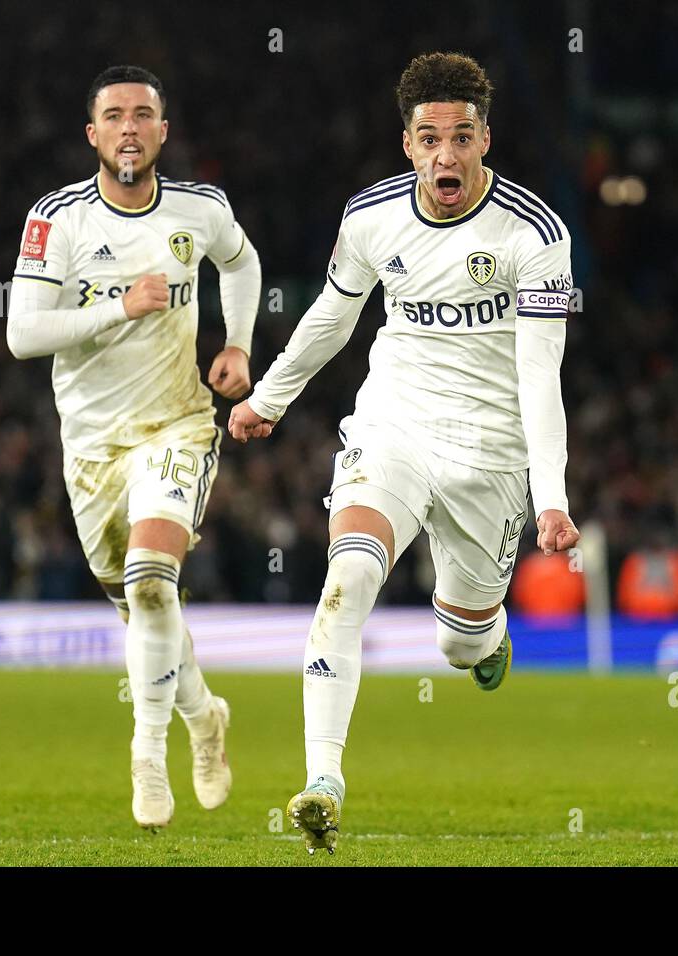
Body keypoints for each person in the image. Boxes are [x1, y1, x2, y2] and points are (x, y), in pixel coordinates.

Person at [229, 52, 579, 852]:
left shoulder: (536, 235)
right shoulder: (371, 218)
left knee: (458, 638)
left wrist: (551, 498)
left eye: (462, 137)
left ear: (486, 138)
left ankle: (485, 642)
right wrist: (268, 399)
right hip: (394, 425)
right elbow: (331, 317)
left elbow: (540, 373)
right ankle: (323, 781)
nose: (446, 155)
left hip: (492, 452)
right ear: (407, 144)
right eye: (430, 139)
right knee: (348, 576)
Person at [6, 65, 262, 828]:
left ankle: (148, 761)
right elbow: (22, 333)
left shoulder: (200, 208)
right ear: (92, 134)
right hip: (91, 448)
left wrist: (239, 346)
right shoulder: (57, 221)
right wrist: (118, 305)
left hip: (177, 424)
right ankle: (203, 717)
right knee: (143, 608)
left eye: (142, 115)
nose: (128, 127)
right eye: (113, 115)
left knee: (155, 581)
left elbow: (241, 262)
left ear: (162, 132)